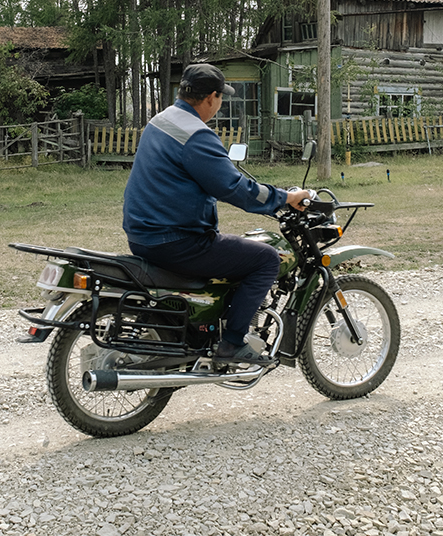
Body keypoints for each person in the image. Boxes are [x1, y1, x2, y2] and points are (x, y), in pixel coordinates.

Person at [122, 63, 311, 365]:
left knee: (233, 252)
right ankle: (232, 344)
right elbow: (233, 187)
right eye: (221, 98)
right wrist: (286, 198)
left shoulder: (160, 120)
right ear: (211, 97)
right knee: (265, 258)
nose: (220, 104)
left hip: (142, 234)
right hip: (175, 240)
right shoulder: (196, 135)